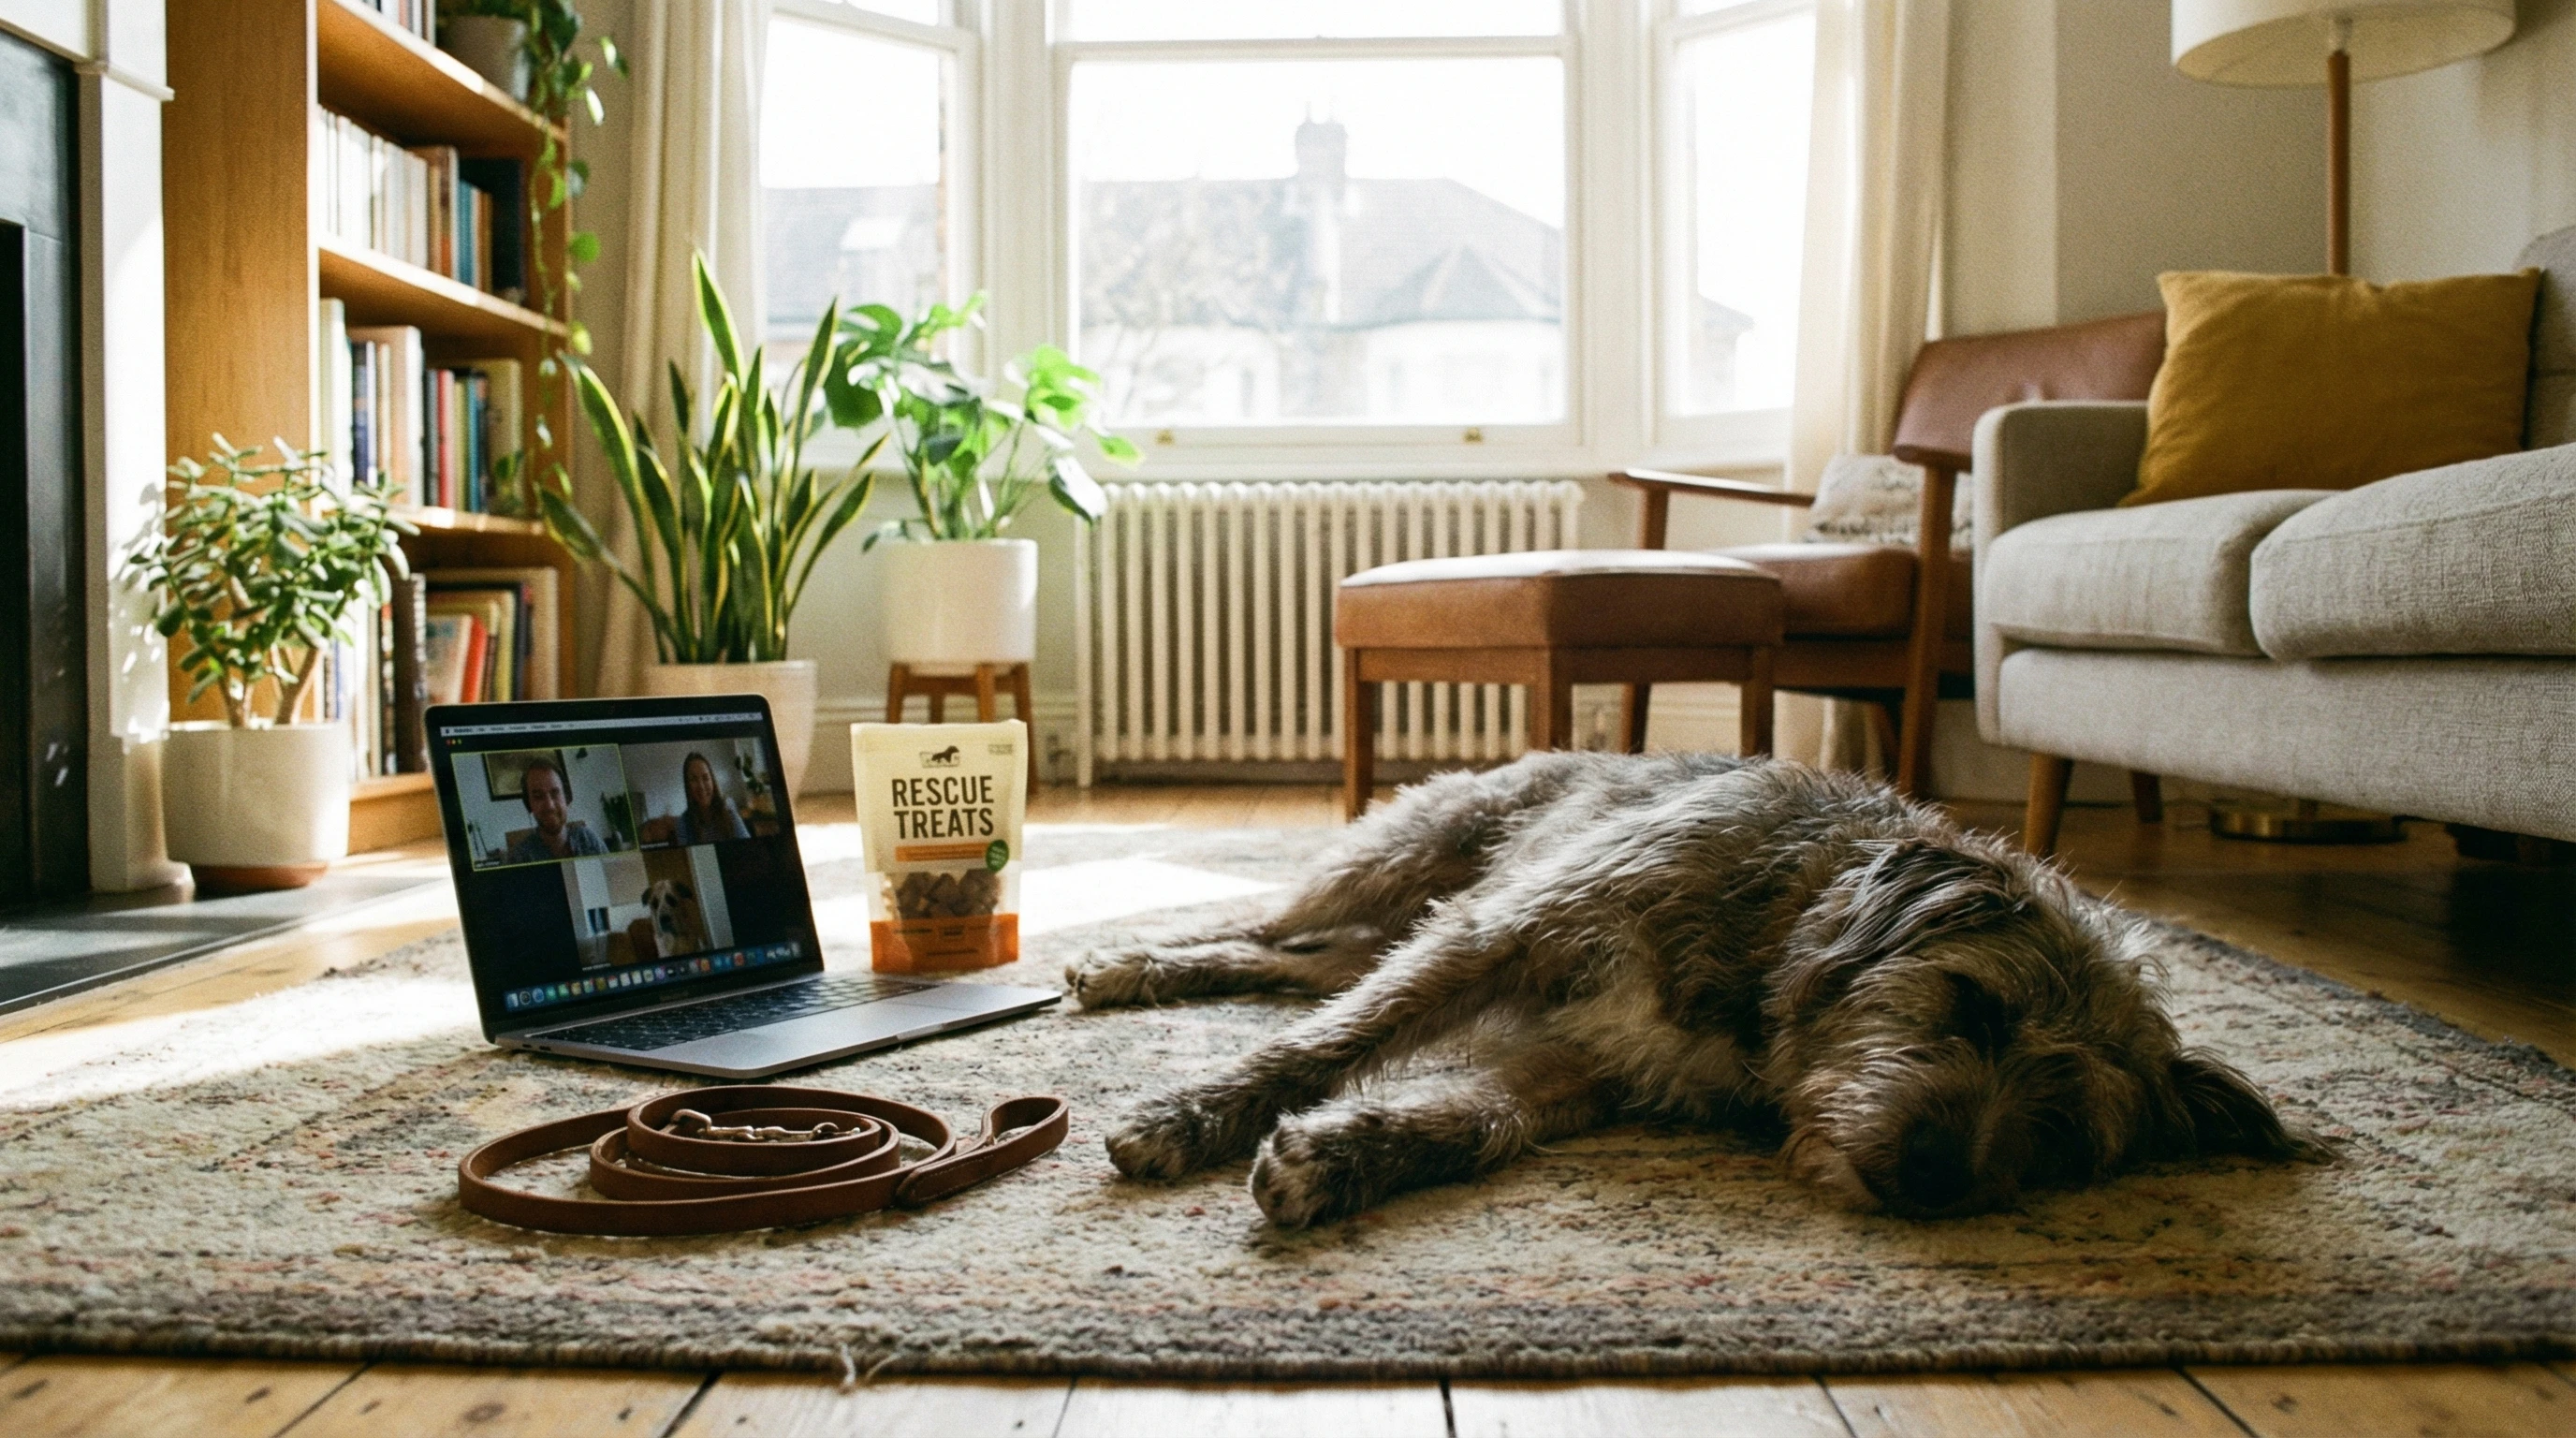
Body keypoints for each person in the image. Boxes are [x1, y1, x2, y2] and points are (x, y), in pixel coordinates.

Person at [503, 756, 607, 864]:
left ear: (566, 797)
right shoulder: (519, 858)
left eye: (555, 793)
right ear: (529, 805)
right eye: (538, 796)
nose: (550, 806)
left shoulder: (589, 840)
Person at [673, 751, 750, 844]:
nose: (701, 786)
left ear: (712, 781)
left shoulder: (728, 809)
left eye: (705, 778)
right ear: (687, 786)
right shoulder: (683, 824)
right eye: (694, 779)